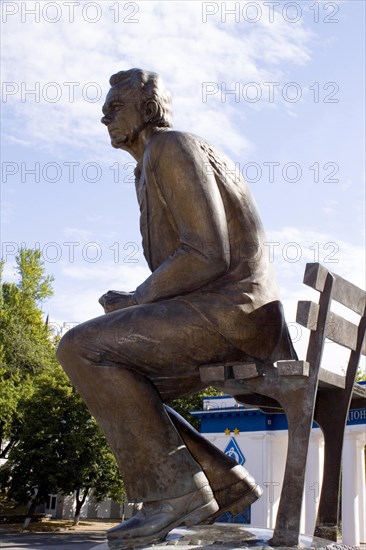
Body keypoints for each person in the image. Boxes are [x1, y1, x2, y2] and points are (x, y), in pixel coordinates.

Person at [57, 68, 296, 548]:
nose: (104, 115)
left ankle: (177, 492)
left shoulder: (171, 147)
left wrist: (138, 299)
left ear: (148, 109)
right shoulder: (149, 165)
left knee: (80, 348)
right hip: (228, 313)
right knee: (117, 379)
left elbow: (207, 253)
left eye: (115, 105)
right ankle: (222, 479)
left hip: (233, 314)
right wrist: (133, 302)